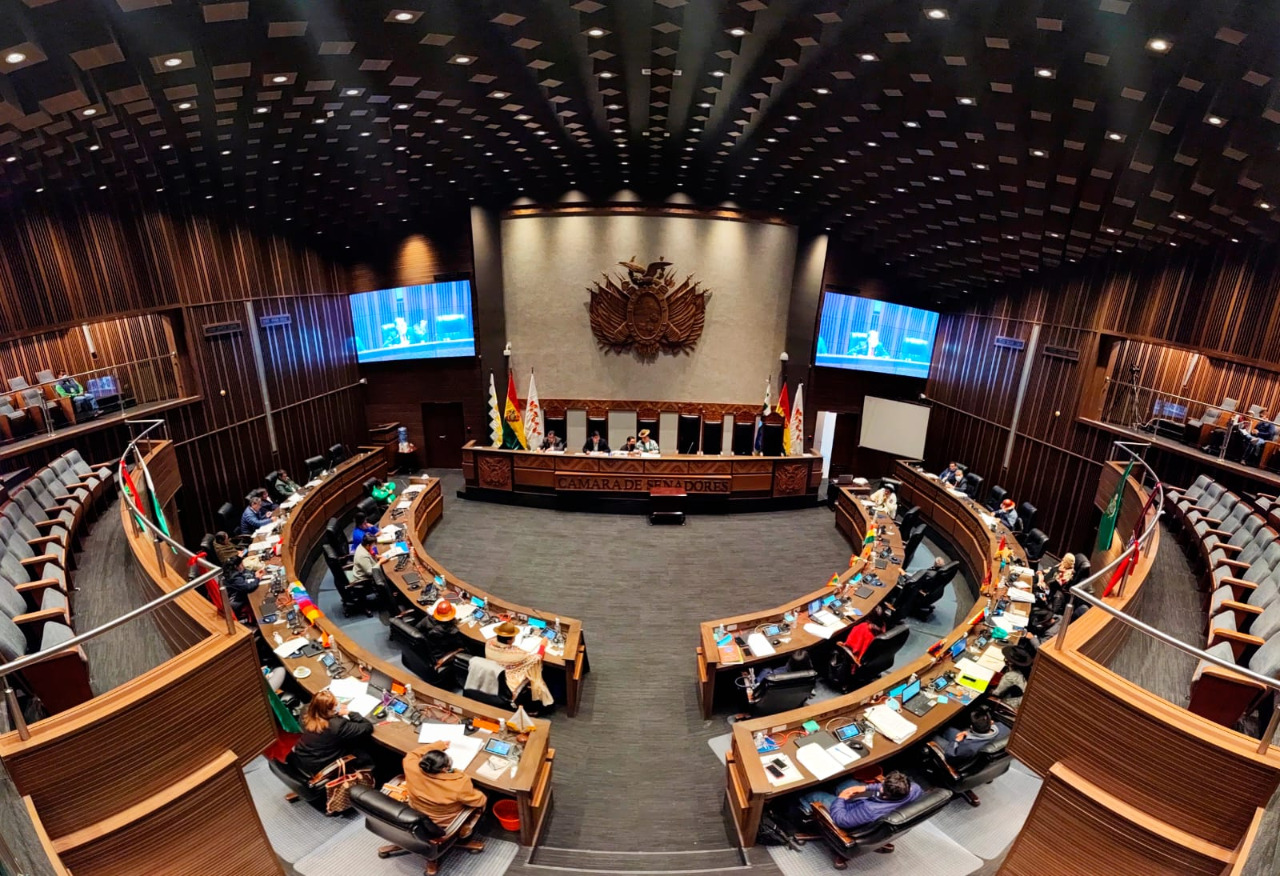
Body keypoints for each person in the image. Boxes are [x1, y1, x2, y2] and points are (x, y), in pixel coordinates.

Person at [402, 743, 488, 840]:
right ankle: (463, 827)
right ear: (444, 769)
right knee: (484, 795)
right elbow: (480, 801)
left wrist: (440, 744)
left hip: (415, 810)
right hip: (443, 821)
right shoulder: (459, 784)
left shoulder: (410, 765)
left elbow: (413, 753)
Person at [798, 770, 923, 836]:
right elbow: (881, 787)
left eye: (882, 786)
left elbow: (841, 819)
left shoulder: (869, 811)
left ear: (885, 793)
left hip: (850, 814)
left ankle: (807, 817)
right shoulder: (914, 788)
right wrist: (865, 789)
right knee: (845, 781)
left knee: (814, 795)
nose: (881, 784)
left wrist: (841, 799)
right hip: (875, 801)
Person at [289, 689, 376, 776]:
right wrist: (349, 712)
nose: (338, 705)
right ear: (329, 710)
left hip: (303, 755)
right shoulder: (337, 725)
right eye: (336, 704)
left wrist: (335, 711)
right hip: (321, 764)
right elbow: (367, 727)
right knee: (362, 749)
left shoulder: (306, 710)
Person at [485, 620, 555, 708]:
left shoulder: (489, 643)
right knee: (533, 673)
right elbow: (536, 659)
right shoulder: (519, 655)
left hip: (494, 673)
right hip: (509, 679)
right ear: (509, 640)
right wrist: (542, 645)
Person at [932, 705, 1009, 763]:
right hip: (977, 741)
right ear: (991, 722)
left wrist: (956, 741)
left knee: (932, 736)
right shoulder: (1003, 728)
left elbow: (951, 757)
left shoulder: (968, 748)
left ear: (971, 727)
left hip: (955, 751)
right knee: (947, 729)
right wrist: (969, 733)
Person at [415, 599, 468, 664]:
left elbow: (417, 628)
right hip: (440, 655)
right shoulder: (451, 631)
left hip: (427, 650)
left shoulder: (427, 619)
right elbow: (460, 645)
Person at [992, 642, 1036, 710]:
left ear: (1010, 662)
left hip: (1013, 705)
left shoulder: (1010, 676)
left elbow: (996, 693)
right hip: (1026, 700)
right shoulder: (1029, 670)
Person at [222, 554, 261, 622]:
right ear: (236, 566)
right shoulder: (233, 577)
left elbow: (245, 572)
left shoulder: (231, 571)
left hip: (238, 597)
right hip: (235, 602)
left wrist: (254, 574)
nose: (243, 566)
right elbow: (248, 588)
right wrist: (257, 578)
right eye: (241, 565)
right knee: (258, 598)